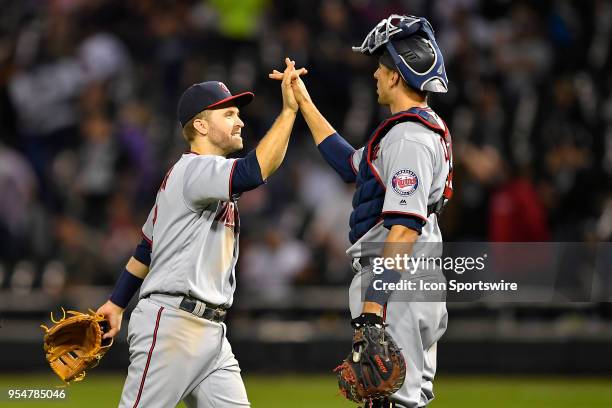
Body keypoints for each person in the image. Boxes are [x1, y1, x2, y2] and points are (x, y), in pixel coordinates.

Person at [96, 58, 305, 408]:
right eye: (228, 114)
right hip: (172, 328)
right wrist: (288, 112)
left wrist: (116, 303)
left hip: (211, 333)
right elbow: (255, 171)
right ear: (201, 126)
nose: (239, 120)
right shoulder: (197, 170)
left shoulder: (188, 177)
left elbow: (147, 247)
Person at [270, 15, 453, 408]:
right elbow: (348, 165)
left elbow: (403, 230)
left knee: (393, 402)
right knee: (401, 400)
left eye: (381, 67)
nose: (374, 74)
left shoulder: (409, 139)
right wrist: (303, 101)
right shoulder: (409, 130)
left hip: (399, 282)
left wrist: (373, 310)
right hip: (408, 280)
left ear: (395, 77)